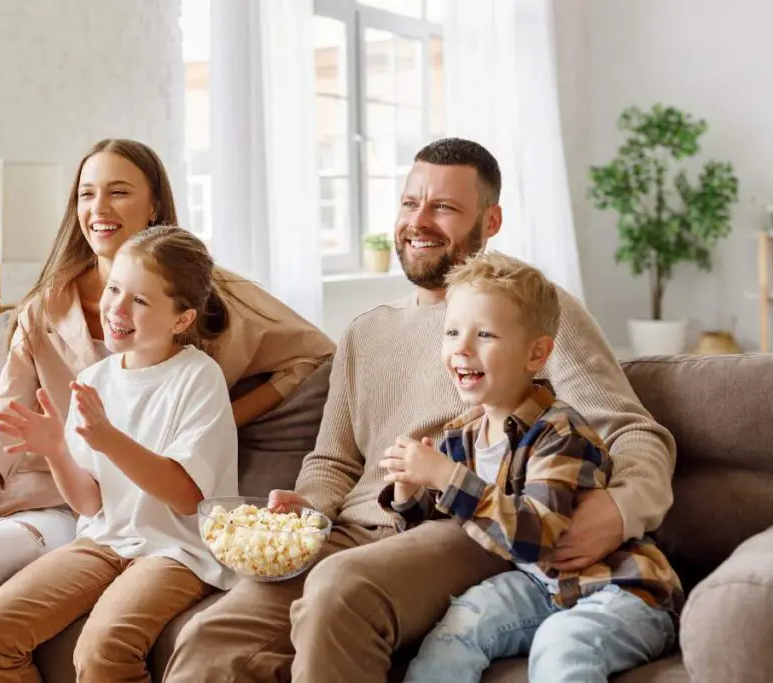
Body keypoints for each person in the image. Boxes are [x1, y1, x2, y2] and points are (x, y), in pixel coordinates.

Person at [162, 137, 677, 683]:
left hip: (463, 525)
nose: (419, 221)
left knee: (341, 591)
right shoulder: (366, 332)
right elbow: (332, 461)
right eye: (410, 204)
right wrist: (305, 509)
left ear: (491, 219)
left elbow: (630, 432)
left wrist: (620, 510)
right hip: (354, 531)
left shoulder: (532, 313)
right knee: (212, 638)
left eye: (445, 208)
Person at [0, 138, 334, 683]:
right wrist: (53, 452)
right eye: (87, 193)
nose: (98, 208)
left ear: (184, 316)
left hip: (153, 541)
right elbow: (68, 481)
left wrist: (224, 421)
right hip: (92, 523)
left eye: (118, 192)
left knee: (81, 641)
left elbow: (191, 488)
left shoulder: (202, 335)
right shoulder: (72, 342)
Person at [380, 250, 681, 682]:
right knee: (458, 626)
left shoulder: (561, 433)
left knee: (563, 643)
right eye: (452, 332)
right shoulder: (459, 437)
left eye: (484, 334)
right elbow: (447, 523)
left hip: (620, 591)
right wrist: (410, 495)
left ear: (536, 354)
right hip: (541, 587)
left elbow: (533, 536)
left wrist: (448, 477)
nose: (462, 348)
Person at [0, 226, 239, 683]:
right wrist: (55, 450)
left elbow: (187, 498)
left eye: (141, 301)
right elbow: (90, 504)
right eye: (114, 289)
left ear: (182, 320)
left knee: (102, 651)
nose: (117, 308)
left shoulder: (197, 378)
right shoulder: (94, 380)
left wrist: (109, 438)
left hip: (178, 550)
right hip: (104, 539)